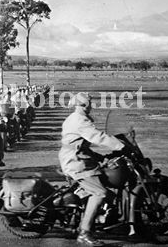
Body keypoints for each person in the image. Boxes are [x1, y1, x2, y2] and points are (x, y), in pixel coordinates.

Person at [59, 92, 124, 247]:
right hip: (75, 162)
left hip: (79, 158)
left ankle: (95, 218)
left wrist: (100, 157)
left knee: (100, 181)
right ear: (84, 105)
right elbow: (98, 137)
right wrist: (121, 145)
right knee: (99, 192)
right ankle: (84, 233)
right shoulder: (79, 121)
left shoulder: (76, 118)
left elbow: (80, 144)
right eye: (89, 103)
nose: (91, 106)